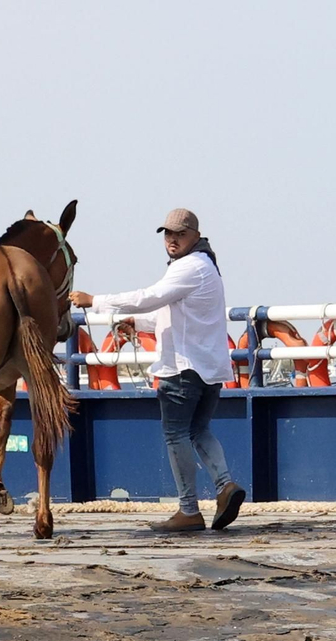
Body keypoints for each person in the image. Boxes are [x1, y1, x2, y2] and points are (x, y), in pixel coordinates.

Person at [69, 209, 245, 533]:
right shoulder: (206, 267)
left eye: (179, 234)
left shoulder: (188, 267)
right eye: (167, 235)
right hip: (210, 369)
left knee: (175, 434)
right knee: (199, 430)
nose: (172, 241)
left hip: (182, 369)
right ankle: (225, 486)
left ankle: (189, 510)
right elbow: (173, 313)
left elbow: (149, 297)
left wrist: (95, 301)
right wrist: (139, 322)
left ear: (194, 235)